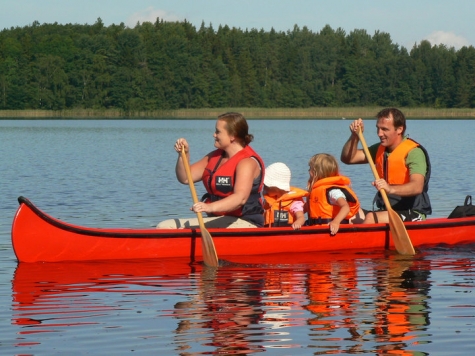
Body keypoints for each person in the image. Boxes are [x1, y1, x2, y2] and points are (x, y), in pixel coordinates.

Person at [157, 112, 265, 229]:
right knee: (165, 226)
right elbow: (185, 178)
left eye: (218, 131)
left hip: (245, 221)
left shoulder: (247, 162)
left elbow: (240, 198)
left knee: (167, 227)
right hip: (219, 219)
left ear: (232, 135)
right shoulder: (215, 157)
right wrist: (184, 155)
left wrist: (209, 207)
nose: (214, 135)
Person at [340, 107, 432, 224]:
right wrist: (355, 136)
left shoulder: (414, 152)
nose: (379, 133)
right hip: (386, 210)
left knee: (370, 218)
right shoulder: (380, 149)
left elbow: (417, 186)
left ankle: (359, 241)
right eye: (378, 128)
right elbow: (348, 158)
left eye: (384, 129)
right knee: (349, 214)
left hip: (412, 212)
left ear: (399, 129)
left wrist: (390, 189)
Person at [307, 153, 362, 235]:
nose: (308, 171)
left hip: (329, 229)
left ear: (316, 172)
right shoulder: (317, 191)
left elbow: (345, 207)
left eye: (310, 168)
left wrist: (336, 222)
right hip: (316, 227)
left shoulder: (333, 191)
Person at [262, 162, 308, 230]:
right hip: (270, 235)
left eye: (266, 186)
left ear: (276, 187)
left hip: (287, 235)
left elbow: (301, 217)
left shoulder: (294, 202)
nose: (264, 188)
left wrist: (298, 223)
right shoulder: (269, 200)